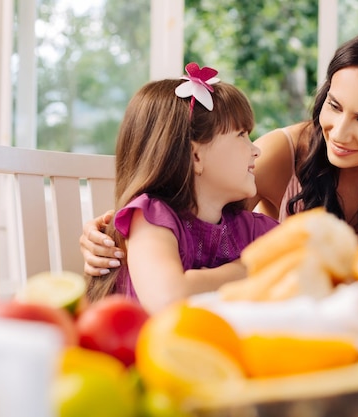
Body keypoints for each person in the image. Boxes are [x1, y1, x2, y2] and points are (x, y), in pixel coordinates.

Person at [80, 28, 358, 277]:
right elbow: (190, 219)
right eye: (334, 106)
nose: (339, 132)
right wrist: (115, 235)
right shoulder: (280, 154)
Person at [86, 63, 278, 313]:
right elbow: (168, 298)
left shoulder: (251, 229)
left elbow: (311, 257)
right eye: (241, 134)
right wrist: (249, 268)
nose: (256, 150)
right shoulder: (150, 217)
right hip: (142, 350)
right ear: (195, 156)